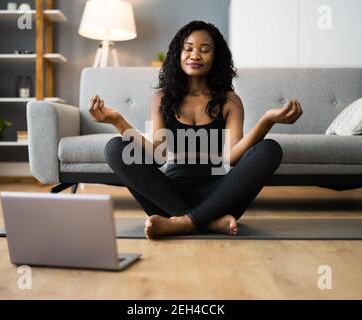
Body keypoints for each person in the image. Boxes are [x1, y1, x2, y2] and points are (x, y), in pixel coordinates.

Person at [88, 21, 302, 239]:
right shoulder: (161, 98)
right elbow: (158, 157)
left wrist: (266, 121)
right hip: (168, 197)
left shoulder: (230, 101)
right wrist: (118, 121)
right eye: (188, 48)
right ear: (177, 54)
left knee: (269, 150)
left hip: (221, 196)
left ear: (216, 56)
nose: (195, 55)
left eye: (205, 49)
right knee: (116, 148)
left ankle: (185, 222)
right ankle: (206, 222)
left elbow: (232, 157)